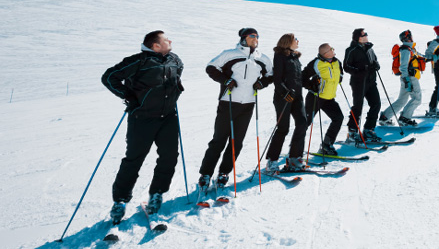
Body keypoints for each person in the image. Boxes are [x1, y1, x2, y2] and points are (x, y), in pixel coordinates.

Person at [101, 30, 184, 223]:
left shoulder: (175, 59)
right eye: (166, 40)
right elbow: (109, 77)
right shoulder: (137, 61)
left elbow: (177, 73)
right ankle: (120, 200)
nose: (170, 40)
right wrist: (128, 95)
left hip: (169, 117)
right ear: (156, 45)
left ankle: (157, 193)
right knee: (134, 159)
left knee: (169, 157)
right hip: (142, 118)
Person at [197, 28, 273, 192]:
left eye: (257, 36)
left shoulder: (262, 58)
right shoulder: (230, 54)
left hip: (248, 104)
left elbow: (271, 75)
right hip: (228, 101)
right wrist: (225, 80)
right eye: (253, 36)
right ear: (244, 38)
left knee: (236, 142)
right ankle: (205, 174)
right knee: (218, 141)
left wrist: (262, 83)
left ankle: (224, 173)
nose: (256, 38)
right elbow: (211, 67)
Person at [265, 33, 307, 172]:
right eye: (295, 39)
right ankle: (272, 161)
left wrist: (312, 84)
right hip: (283, 97)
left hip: (297, 96)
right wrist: (284, 92)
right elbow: (277, 79)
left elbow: (298, 78)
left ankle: (294, 157)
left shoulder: (295, 57)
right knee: (283, 128)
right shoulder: (280, 56)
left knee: (302, 123)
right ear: (288, 42)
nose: (298, 41)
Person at [301, 43, 344, 155]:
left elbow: (340, 74)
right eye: (331, 49)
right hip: (315, 98)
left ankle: (327, 145)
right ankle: (295, 148)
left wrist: (340, 77)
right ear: (325, 53)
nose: (333, 50)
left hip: (329, 98)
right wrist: (311, 85)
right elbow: (302, 77)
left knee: (338, 118)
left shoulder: (337, 62)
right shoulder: (316, 63)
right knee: (306, 122)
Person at [378, 30, 424, 126]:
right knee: (417, 99)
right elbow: (403, 66)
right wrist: (406, 80)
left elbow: (422, 57)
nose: (412, 37)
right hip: (410, 77)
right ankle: (405, 118)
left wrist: (434, 58)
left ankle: (385, 117)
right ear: (407, 38)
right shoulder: (405, 50)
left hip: (407, 77)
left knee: (402, 100)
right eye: (410, 36)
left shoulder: (411, 49)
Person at [343, 28, 382, 143]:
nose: (366, 36)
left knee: (376, 104)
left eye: (366, 34)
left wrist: (376, 65)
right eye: (364, 34)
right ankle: (352, 131)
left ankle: (369, 129)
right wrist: (360, 71)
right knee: (357, 107)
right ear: (358, 38)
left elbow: (375, 61)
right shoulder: (351, 50)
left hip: (371, 81)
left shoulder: (370, 48)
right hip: (358, 83)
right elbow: (346, 67)